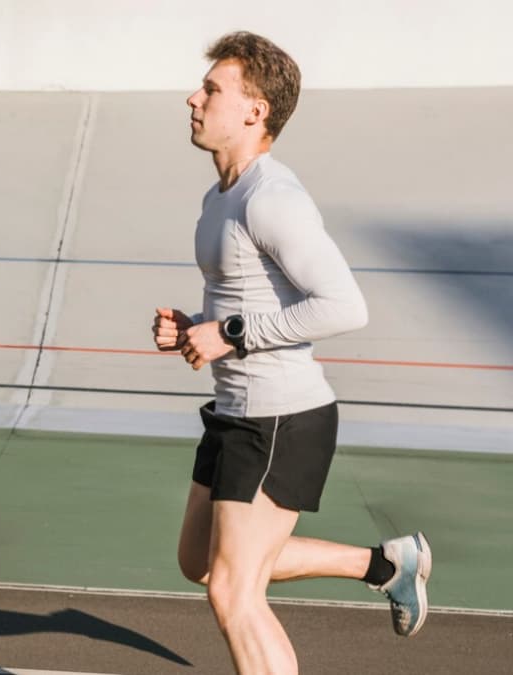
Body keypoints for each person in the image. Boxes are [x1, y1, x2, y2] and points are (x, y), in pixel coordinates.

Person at [151, 31, 431, 674]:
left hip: (279, 418)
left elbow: (344, 306)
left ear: (256, 110)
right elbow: (247, 304)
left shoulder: (273, 198)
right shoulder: (220, 196)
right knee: (200, 562)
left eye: (213, 90)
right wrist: (197, 327)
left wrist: (232, 335)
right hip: (234, 410)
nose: (193, 98)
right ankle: (388, 565)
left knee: (233, 589)